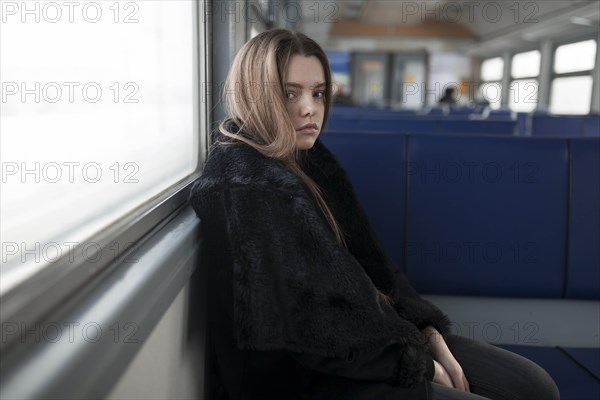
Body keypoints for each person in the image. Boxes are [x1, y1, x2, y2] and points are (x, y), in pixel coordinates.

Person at [189, 29, 559, 400]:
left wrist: (427, 333)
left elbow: (375, 272)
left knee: (533, 385)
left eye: (318, 93)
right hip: (308, 378)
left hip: (378, 338)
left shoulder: (310, 162)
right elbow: (305, 331)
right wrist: (418, 364)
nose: (309, 108)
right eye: (290, 93)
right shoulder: (246, 187)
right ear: (257, 93)